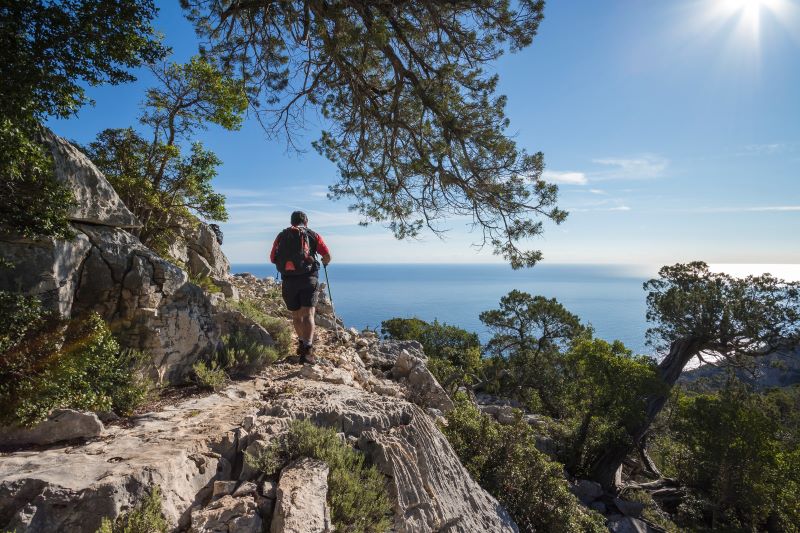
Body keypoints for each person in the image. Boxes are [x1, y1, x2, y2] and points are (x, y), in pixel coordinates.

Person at [269, 211, 331, 363]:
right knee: (308, 314)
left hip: (289, 280)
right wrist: (324, 261)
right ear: (306, 221)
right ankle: (308, 350)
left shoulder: (282, 235)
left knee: (296, 315)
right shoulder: (313, 235)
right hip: (308, 278)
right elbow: (327, 255)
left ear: (292, 222)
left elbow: (272, 258)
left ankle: (301, 343)